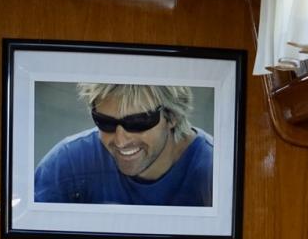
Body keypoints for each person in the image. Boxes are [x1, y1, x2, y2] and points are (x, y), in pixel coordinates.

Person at [33, 83, 213, 206]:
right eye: (105, 122)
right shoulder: (66, 165)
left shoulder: (214, 173)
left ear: (172, 117)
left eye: (138, 122)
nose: (120, 141)